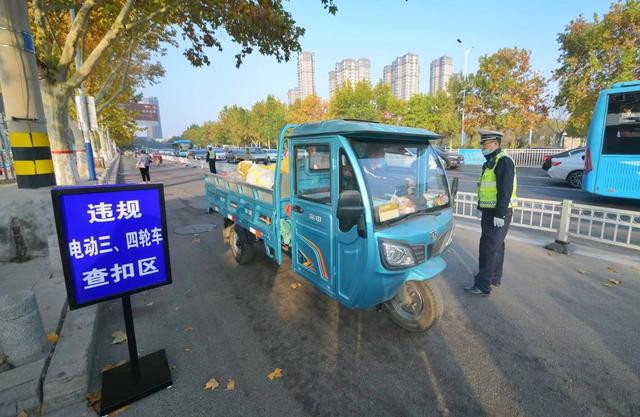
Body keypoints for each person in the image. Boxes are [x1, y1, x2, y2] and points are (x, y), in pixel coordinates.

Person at [464, 129, 517, 297]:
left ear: (495, 144)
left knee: (488, 248)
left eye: (485, 144)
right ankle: (493, 277)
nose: (482, 148)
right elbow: (487, 190)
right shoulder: (491, 161)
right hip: (490, 211)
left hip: (498, 213)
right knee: (496, 246)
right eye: (482, 145)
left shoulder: (503, 161)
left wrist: (500, 214)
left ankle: (482, 285)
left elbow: (505, 190)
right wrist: (481, 208)